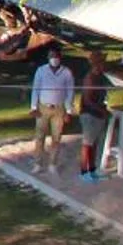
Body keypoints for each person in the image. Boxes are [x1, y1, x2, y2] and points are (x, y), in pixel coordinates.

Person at [29, 44, 76, 174]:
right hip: (43, 107)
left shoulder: (66, 72)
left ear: (60, 58)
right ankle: (38, 163)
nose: (54, 58)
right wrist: (33, 107)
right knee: (40, 136)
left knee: (56, 137)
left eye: (56, 56)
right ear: (48, 57)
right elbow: (36, 89)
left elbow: (70, 92)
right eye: (51, 56)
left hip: (59, 108)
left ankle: (52, 163)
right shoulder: (41, 70)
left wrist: (68, 111)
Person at [74, 52, 113, 181]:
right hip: (89, 115)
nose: (103, 65)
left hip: (98, 114)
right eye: (102, 63)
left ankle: (92, 170)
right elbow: (88, 100)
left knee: (94, 144)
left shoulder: (101, 77)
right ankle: (84, 172)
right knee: (87, 144)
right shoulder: (90, 78)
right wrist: (102, 111)